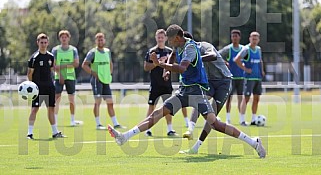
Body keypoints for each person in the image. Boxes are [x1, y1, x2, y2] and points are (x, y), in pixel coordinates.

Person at [107, 24, 266, 158]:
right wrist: (167, 70)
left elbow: (182, 68)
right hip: (183, 92)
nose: (169, 43)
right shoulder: (179, 46)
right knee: (158, 112)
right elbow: (173, 56)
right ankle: (124, 137)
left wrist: (160, 64)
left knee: (215, 123)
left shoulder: (190, 48)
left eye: (170, 39)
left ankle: (253, 142)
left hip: (196, 92)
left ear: (176, 37)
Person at [82, 32, 125, 130]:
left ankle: (116, 123)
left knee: (110, 102)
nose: (100, 41)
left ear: (104, 40)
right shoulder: (92, 53)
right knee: (98, 101)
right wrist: (94, 73)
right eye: (98, 40)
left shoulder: (107, 51)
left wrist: (109, 73)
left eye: (102, 39)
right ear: (96, 41)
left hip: (106, 80)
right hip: (97, 80)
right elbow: (84, 65)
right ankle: (98, 124)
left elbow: (110, 63)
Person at [27, 33, 66, 139]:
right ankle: (29, 133)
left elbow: (52, 69)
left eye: (45, 42)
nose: (43, 44)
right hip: (38, 88)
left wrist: (60, 76)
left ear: (48, 43)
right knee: (34, 109)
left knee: (51, 109)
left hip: (49, 87)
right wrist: (32, 87)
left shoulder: (51, 56)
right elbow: (29, 73)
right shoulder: (34, 58)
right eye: (41, 42)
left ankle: (55, 132)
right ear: (37, 43)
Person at [144, 29, 177, 137]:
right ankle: (147, 129)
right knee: (151, 106)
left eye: (162, 37)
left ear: (166, 38)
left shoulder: (170, 51)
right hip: (155, 84)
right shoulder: (151, 51)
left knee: (168, 107)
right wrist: (157, 63)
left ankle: (170, 129)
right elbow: (146, 67)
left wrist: (166, 63)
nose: (160, 39)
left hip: (167, 84)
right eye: (159, 37)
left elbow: (175, 65)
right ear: (156, 38)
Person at [234, 31, 265, 126]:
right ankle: (242, 119)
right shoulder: (246, 49)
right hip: (249, 78)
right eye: (253, 38)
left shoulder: (258, 49)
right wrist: (245, 69)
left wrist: (262, 70)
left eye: (256, 39)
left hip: (257, 78)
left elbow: (260, 60)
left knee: (256, 99)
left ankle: (253, 119)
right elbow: (236, 59)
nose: (254, 40)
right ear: (250, 39)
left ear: (258, 40)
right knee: (246, 98)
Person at [52, 30, 82, 126]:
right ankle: (55, 120)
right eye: (62, 37)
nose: (64, 39)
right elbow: (54, 66)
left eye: (66, 37)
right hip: (58, 77)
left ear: (69, 38)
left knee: (72, 99)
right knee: (57, 98)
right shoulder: (55, 50)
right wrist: (60, 75)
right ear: (59, 38)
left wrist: (62, 66)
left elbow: (76, 64)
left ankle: (72, 120)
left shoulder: (73, 50)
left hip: (70, 77)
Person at [219, 29, 244, 124]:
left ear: (239, 37)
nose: (234, 38)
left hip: (241, 77)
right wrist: (225, 63)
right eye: (233, 36)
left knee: (241, 98)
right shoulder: (228, 49)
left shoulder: (243, 49)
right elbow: (217, 55)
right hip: (231, 78)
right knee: (229, 98)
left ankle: (242, 119)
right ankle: (228, 118)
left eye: (236, 36)